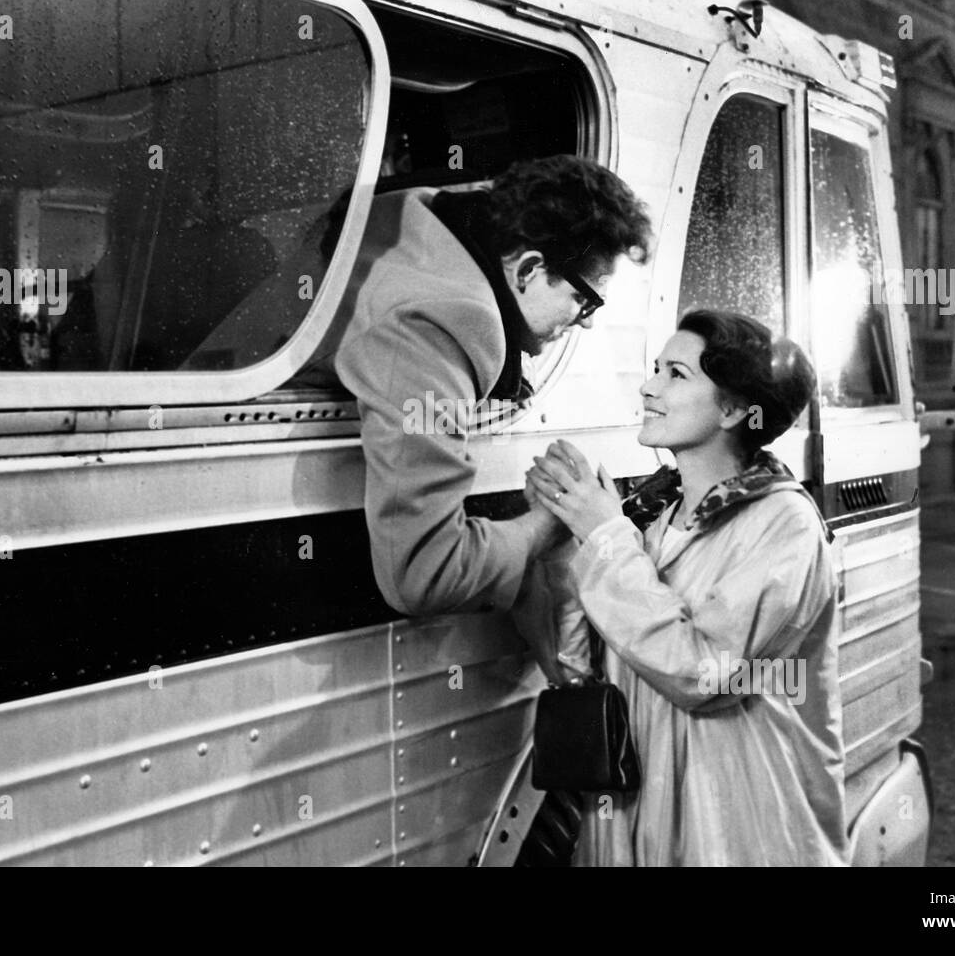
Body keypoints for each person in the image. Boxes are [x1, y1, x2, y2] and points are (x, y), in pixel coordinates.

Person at [524, 309, 849, 866]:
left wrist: (604, 536)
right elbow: (577, 670)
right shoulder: (650, 518)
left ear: (731, 409)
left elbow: (704, 674)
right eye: (655, 369)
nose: (648, 387)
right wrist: (563, 536)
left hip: (738, 833)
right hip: (637, 826)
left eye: (675, 374)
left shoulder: (783, 524)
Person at [312, 156, 651, 625]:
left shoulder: (418, 212)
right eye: (584, 298)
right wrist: (544, 526)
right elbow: (427, 576)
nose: (588, 322)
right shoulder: (447, 326)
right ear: (530, 269)